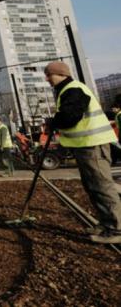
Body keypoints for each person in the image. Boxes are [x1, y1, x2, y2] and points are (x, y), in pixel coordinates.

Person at [44, 61, 121, 244]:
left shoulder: (73, 89)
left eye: (49, 75)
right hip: (85, 146)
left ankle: (116, 229)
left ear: (60, 73)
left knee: (101, 186)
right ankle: (106, 223)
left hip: (92, 145)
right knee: (93, 186)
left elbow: (71, 116)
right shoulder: (67, 90)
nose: (47, 79)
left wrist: (54, 121)